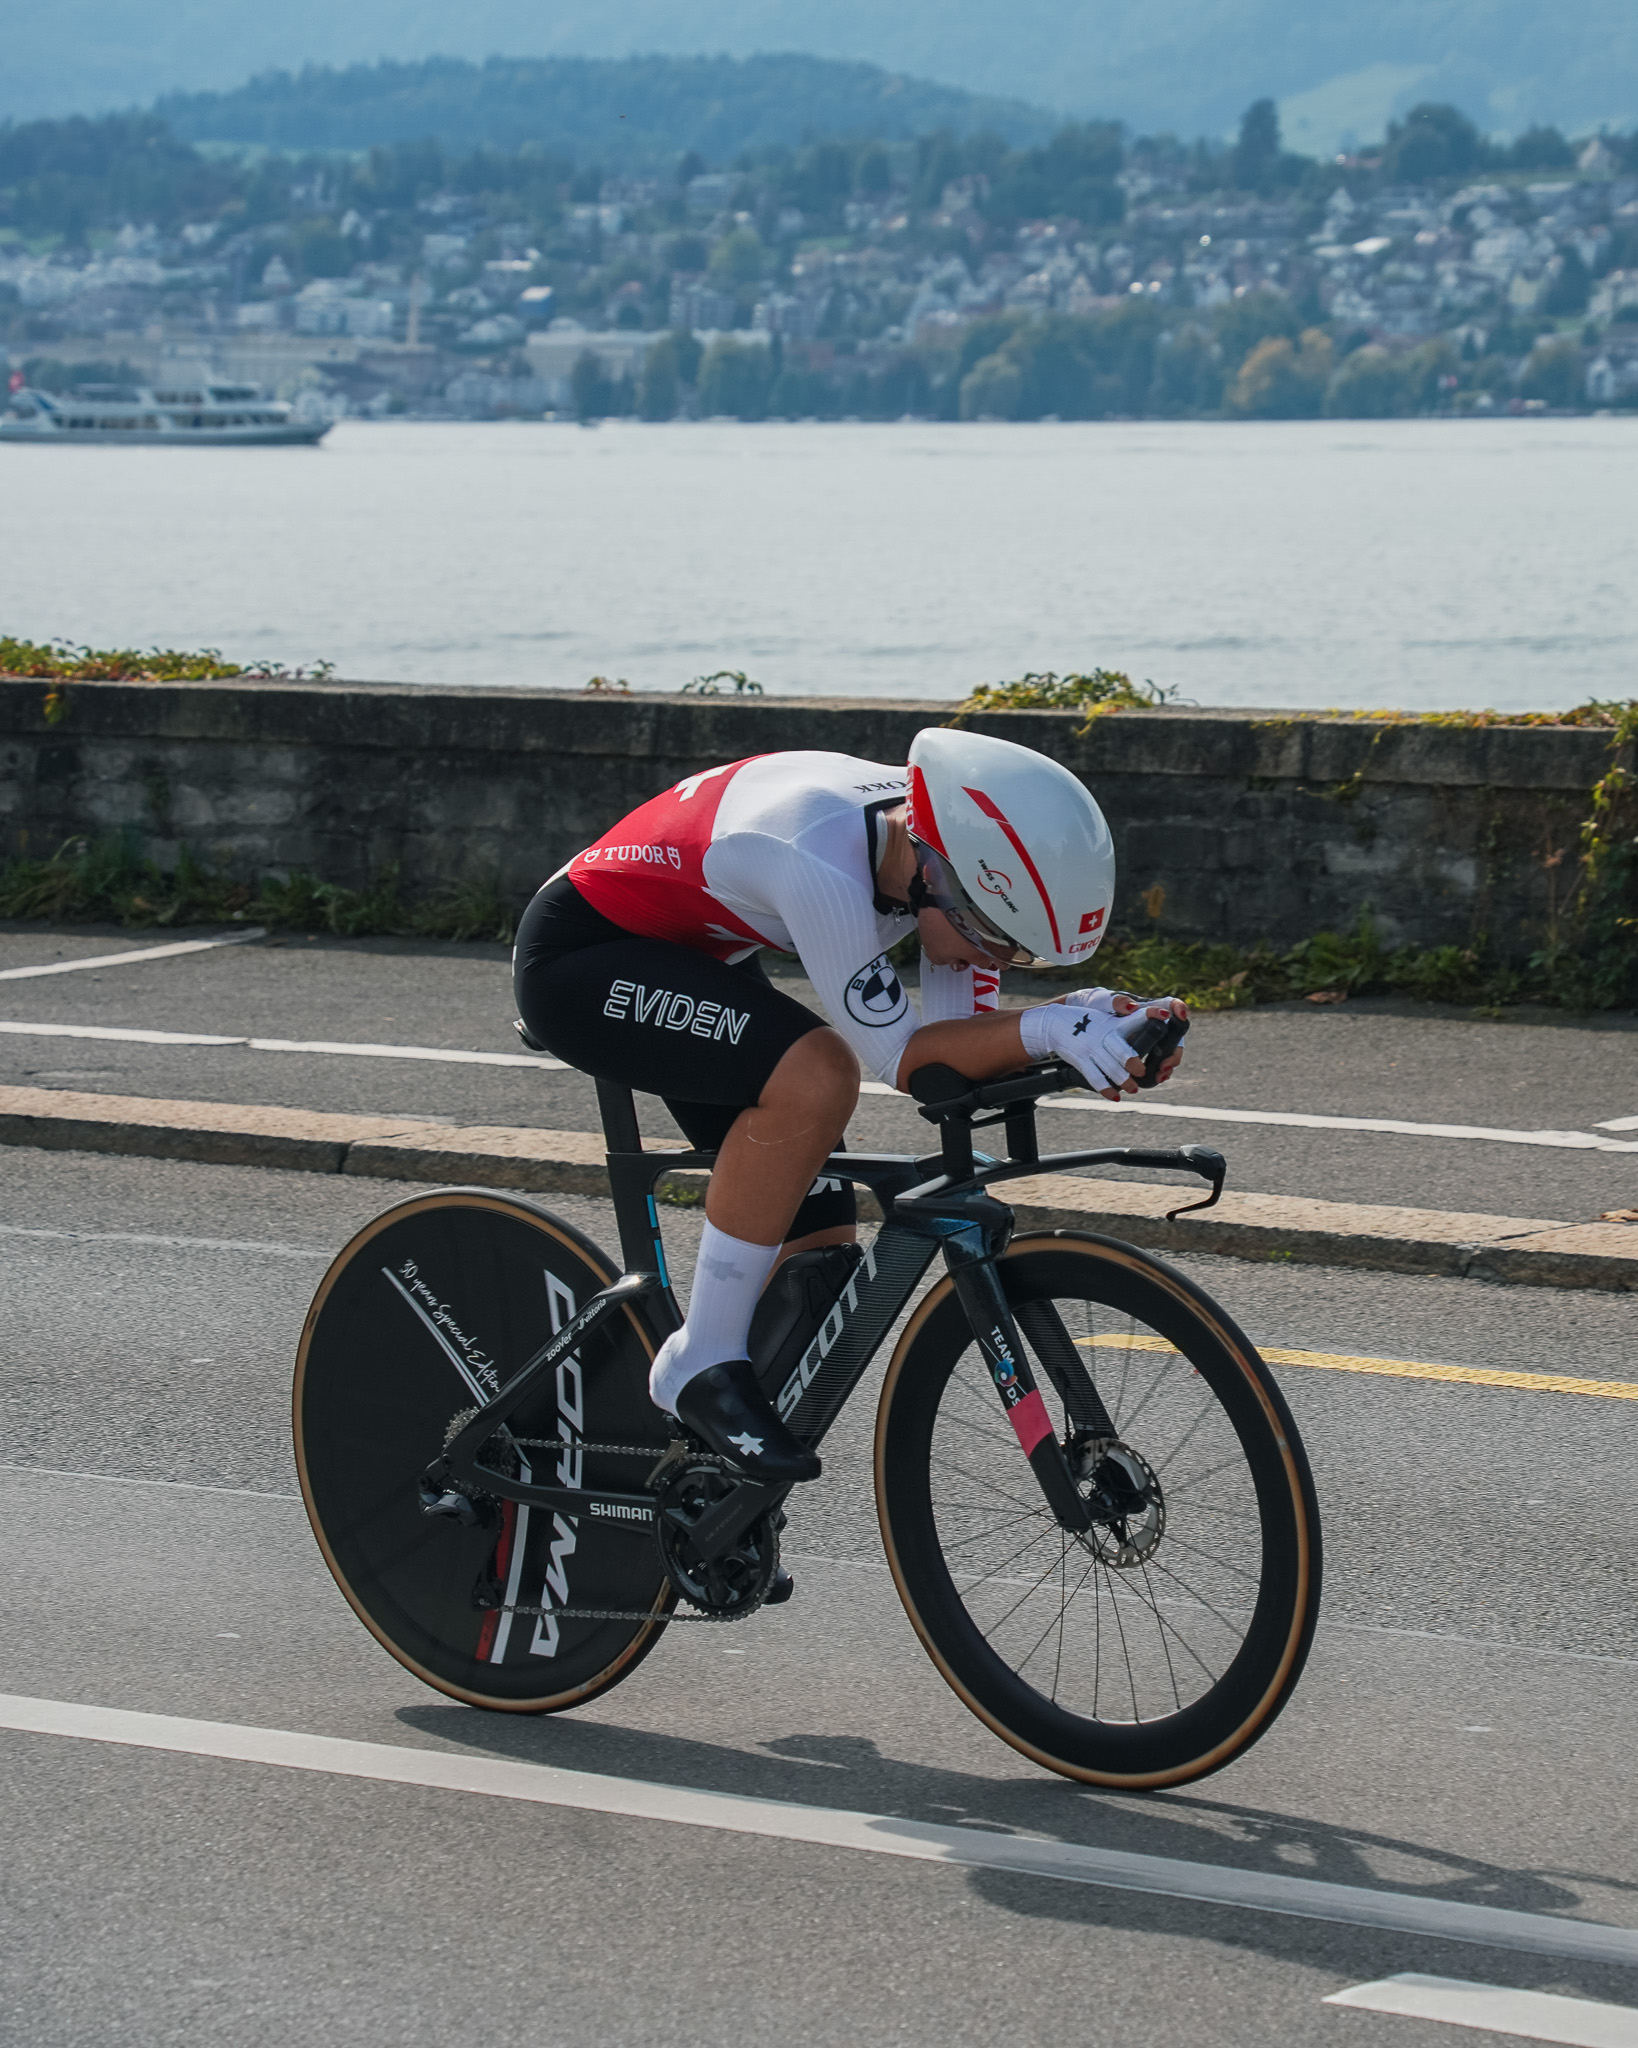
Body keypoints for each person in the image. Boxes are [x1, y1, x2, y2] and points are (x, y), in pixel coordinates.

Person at [513, 728, 1186, 1487]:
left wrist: (1081, 1021)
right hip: (581, 958)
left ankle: (702, 1493)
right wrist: (1043, 1027)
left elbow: (955, 1052)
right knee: (816, 1074)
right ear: (936, 874)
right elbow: (903, 1056)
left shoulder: (934, 846)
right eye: (998, 938)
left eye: (1020, 954)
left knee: (820, 1253)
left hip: (698, 958)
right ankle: (698, 1362)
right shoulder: (819, 856)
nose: (997, 962)